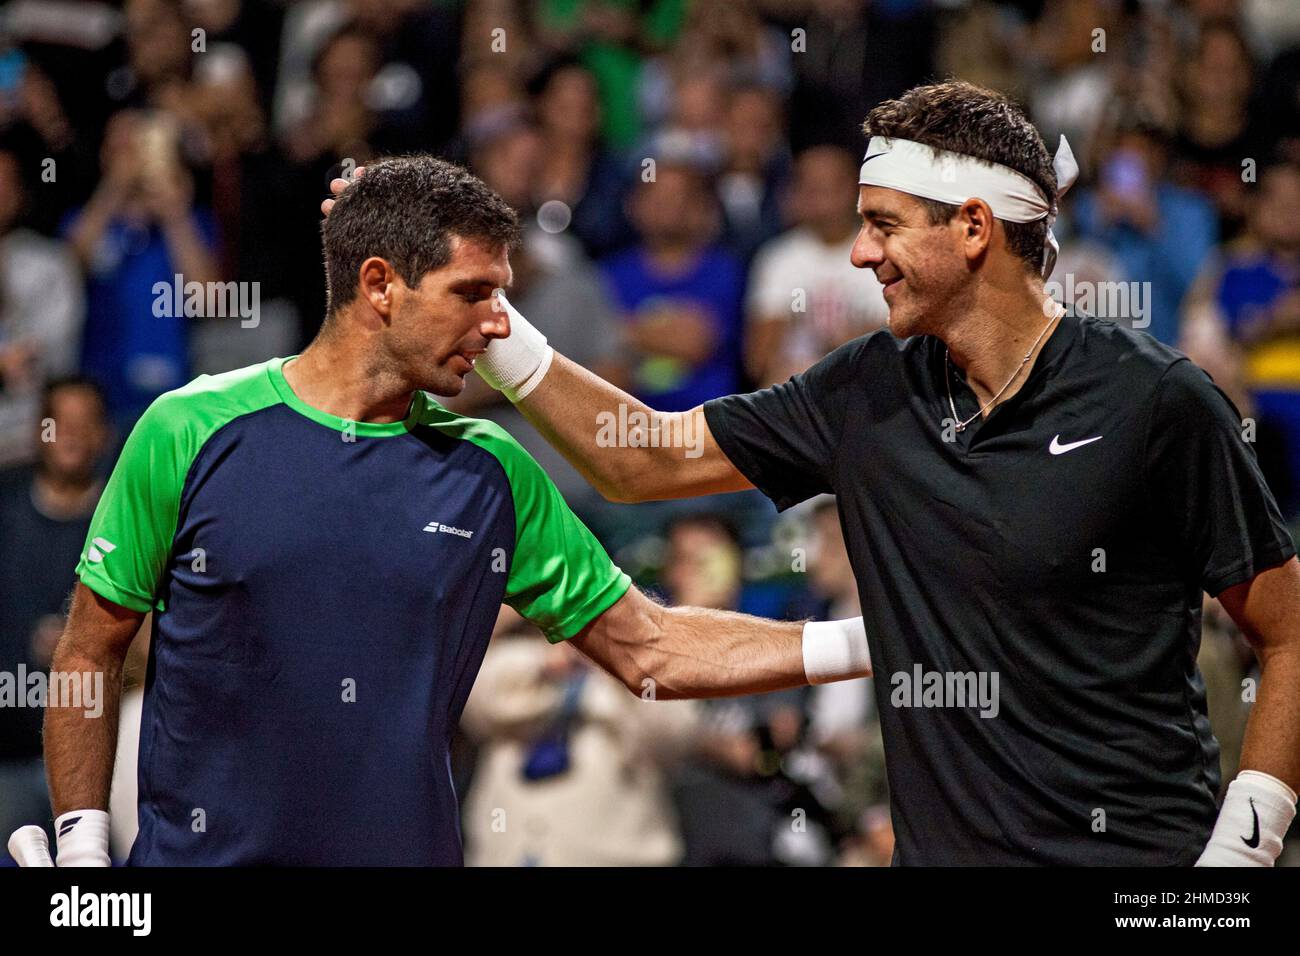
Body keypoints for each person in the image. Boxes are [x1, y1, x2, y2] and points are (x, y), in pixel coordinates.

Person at [400, 80, 1300, 865]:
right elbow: (639, 457)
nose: (860, 253)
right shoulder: (867, 388)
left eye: (883, 225)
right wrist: (491, 314)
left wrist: (1244, 847)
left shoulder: (1159, 402)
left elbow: (1288, 636)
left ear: (975, 229)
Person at [35, 156, 868, 868]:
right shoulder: (188, 428)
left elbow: (652, 650)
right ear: (378, 285)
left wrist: (877, 639)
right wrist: (81, 845)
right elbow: (87, 649)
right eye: (473, 293)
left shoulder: (494, 471)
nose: (498, 324)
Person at [0, 378, 109, 846]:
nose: (71, 436)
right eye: (58, 424)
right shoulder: (4, 508)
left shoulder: (123, 516)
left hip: (103, 760)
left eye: (84, 425)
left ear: (104, 434)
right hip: (10, 755)